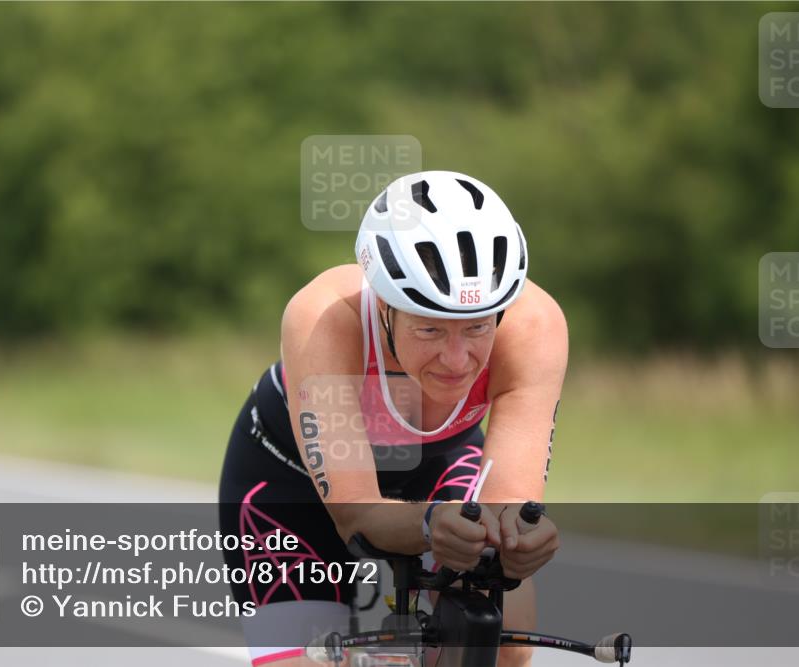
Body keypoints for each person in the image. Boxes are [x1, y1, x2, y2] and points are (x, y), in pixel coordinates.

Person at [219, 170, 566, 666]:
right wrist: (429, 525)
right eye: (429, 329)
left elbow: (509, 502)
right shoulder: (324, 316)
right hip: (291, 479)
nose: (456, 358)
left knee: (505, 638)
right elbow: (356, 512)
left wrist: (517, 538)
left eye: (476, 329)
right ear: (383, 306)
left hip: (441, 464)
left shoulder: (534, 325)